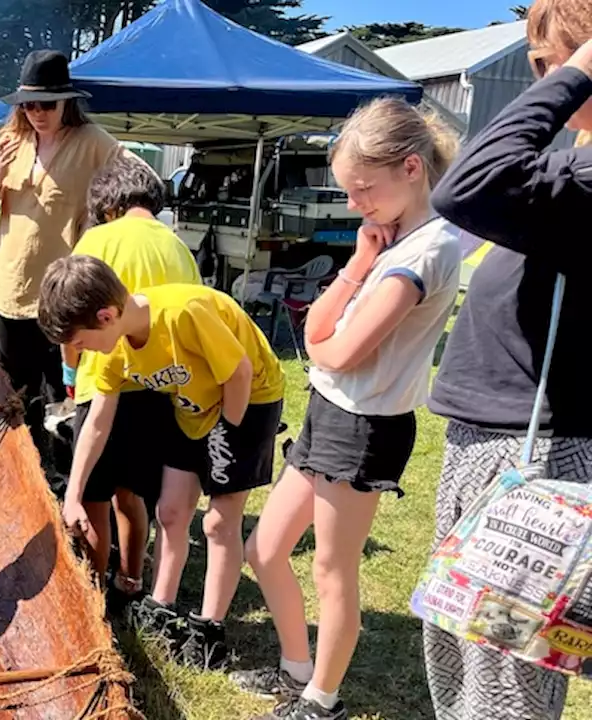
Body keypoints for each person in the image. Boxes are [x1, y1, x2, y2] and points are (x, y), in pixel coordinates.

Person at [232, 98, 462, 720]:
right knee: (266, 550)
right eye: (349, 190)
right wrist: (359, 259)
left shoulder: (426, 250)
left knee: (334, 570)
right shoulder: (390, 243)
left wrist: (324, 342)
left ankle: (321, 701)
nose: (355, 202)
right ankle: (298, 668)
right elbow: (320, 339)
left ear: (411, 168)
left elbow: (339, 349)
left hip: (365, 426)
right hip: (329, 413)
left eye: (363, 188)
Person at [419, 3, 592, 716]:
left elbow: (464, 186)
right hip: (493, 444)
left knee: (503, 685)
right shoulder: (571, 169)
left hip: (538, 457)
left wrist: (577, 74)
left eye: (548, 60)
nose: (536, 76)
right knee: (457, 651)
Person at [38, 255, 285, 670]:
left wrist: (225, 435)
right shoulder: (113, 343)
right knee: (170, 511)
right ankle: (161, 607)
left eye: (79, 343)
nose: (79, 354)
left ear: (106, 315)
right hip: (191, 407)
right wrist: (75, 494)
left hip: (247, 402)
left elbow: (239, 373)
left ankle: (210, 628)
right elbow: (97, 421)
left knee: (218, 522)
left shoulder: (184, 314)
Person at [0, 49, 127, 462]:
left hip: (62, 296)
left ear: (67, 102)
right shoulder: (11, 141)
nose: (37, 112)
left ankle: (60, 479)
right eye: (29, 104)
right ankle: (19, 468)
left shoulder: (93, 143)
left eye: (47, 104)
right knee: (17, 390)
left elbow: (135, 184)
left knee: (61, 390)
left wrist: (105, 235)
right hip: (10, 291)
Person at [61, 155, 202, 612]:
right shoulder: (178, 246)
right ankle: (132, 580)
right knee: (133, 493)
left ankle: (93, 591)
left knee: (95, 496)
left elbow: (72, 311)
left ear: (108, 206)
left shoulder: (97, 238)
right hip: (161, 387)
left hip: (103, 384)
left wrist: (69, 372)